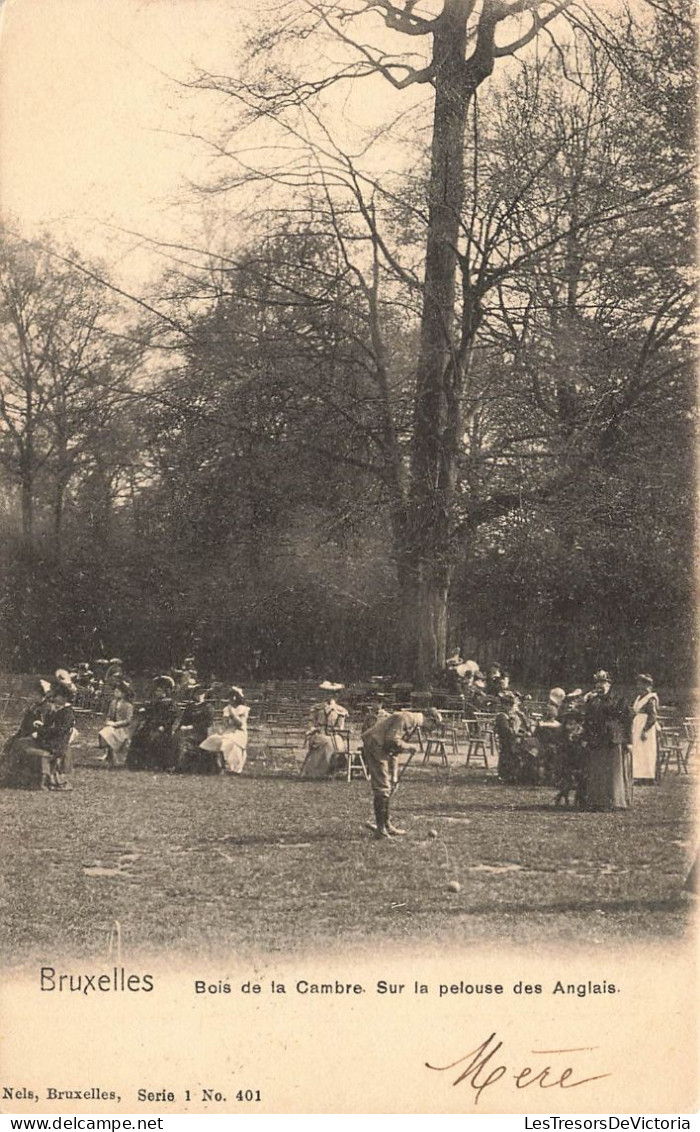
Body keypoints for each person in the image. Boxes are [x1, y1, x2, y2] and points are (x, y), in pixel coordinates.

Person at [361, 706, 442, 839]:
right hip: (374, 745)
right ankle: (380, 830)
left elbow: (394, 750)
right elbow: (392, 740)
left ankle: (386, 825)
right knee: (382, 787)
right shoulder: (407, 718)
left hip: (382, 747)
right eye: (434, 726)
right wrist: (409, 746)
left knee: (387, 785)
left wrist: (394, 776)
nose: (431, 730)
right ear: (430, 720)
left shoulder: (413, 724)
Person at [580, 670, 633, 811]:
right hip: (596, 739)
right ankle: (598, 801)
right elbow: (588, 720)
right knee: (597, 770)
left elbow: (627, 720)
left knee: (613, 772)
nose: (600, 685)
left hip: (613, 738)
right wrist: (585, 737)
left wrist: (629, 741)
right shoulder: (592, 700)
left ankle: (616, 801)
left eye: (603, 682)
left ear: (609, 684)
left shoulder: (619, 698)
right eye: (597, 682)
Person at [127, 676, 179, 771]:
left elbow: (171, 717)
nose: (158, 693)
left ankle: (155, 764)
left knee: (155, 738)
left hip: (162, 727)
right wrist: (144, 710)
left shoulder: (170, 703)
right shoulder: (154, 702)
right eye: (157, 691)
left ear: (166, 692)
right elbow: (149, 711)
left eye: (160, 691)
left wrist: (163, 726)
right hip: (150, 725)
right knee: (138, 736)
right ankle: (137, 763)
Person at [200, 686, 249, 774]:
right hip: (228, 731)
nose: (232, 698)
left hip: (239, 732)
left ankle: (232, 767)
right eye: (230, 696)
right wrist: (224, 722)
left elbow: (240, 724)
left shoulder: (243, 709)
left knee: (228, 742)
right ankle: (218, 766)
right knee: (214, 739)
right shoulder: (226, 709)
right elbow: (225, 724)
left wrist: (232, 713)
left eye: (234, 696)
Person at [174, 686, 219, 773]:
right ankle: (173, 764)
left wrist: (193, 727)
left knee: (185, 740)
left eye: (202, 694)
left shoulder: (207, 707)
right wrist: (179, 728)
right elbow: (184, 720)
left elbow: (207, 723)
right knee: (176, 737)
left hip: (200, 732)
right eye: (197, 694)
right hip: (186, 730)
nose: (199, 696)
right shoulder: (190, 707)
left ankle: (180, 766)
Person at [493, 692, 534, 784]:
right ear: (504, 705)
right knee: (524, 747)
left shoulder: (518, 715)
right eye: (508, 704)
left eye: (512, 704)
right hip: (507, 741)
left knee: (533, 746)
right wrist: (520, 734)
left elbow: (527, 727)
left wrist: (523, 719)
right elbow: (506, 732)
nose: (511, 707)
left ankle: (526, 773)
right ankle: (513, 774)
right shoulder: (502, 716)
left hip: (518, 739)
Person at [630, 673, 660, 784]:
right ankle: (640, 775)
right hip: (637, 725)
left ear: (646, 685)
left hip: (646, 727)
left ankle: (648, 777)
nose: (638, 685)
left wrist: (645, 729)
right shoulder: (639, 697)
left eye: (640, 683)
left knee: (647, 751)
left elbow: (653, 716)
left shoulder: (651, 698)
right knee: (639, 751)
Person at [97, 680, 135, 767]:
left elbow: (128, 720)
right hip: (113, 726)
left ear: (124, 693)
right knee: (104, 732)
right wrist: (108, 721)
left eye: (118, 691)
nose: (116, 693)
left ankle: (112, 756)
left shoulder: (128, 705)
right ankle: (107, 753)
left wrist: (116, 724)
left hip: (123, 728)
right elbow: (109, 715)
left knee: (110, 733)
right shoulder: (113, 703)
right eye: (115, 691)